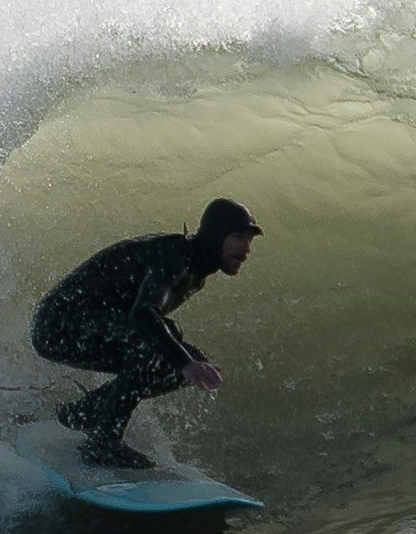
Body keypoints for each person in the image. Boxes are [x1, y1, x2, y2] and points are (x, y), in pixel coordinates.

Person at [33, 197, 259, 469]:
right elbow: (143, 314)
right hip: (58, 325)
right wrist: (184, 362)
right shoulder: (177, 260)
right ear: (215, 235)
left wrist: (186, 361)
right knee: (164, 349)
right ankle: (104, 441)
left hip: (89, 324)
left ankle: (83, 414)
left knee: (185, 356)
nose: (246, 248)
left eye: (249, 239)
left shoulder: (196, 262)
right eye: (238, 237)